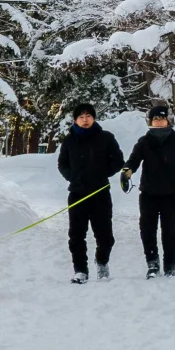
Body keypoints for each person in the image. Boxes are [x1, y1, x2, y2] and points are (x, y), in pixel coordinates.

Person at [121, 102, 175, 278]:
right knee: (147, 231)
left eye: (162, 119)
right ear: (150, 121)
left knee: (169, 232)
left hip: (171, 195)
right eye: (156, 119)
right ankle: (152, 264)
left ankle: (170, 265)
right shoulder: (144, 141)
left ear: (169, 121)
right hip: (148, 195)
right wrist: (127, 171)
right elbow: (134, 160)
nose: (159, 122)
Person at [56, 101, 123, 283]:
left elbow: (118, 160)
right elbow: (62, 164)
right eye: (81, 117)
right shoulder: (69, 141)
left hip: (100, 193)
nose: (85, 120)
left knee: (105, 236)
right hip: (77, 194)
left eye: (88, 116)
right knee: (76, 235)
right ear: (76, 120)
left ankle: (102, 262)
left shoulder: (106, 138)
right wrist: (72, 176)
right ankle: (80, 270)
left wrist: (103, 173)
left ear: (93, 118)